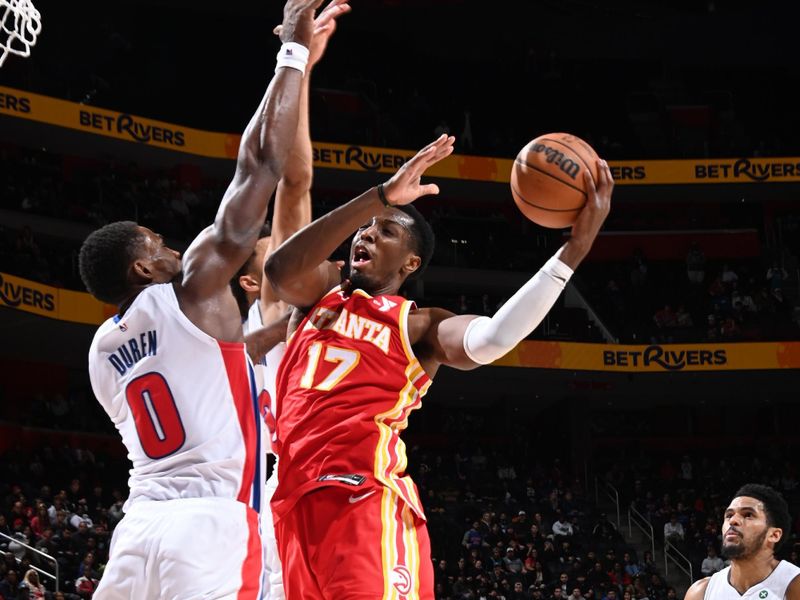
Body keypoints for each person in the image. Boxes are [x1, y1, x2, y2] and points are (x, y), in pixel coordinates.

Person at [264, 134, 613, 597]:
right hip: (290, 505)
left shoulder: (419, 325)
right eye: (365, 228)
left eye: (384, 230)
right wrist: (381, 196)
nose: (366, 233)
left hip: (362, 499)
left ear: (411, 262)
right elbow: (278, 271)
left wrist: (573, 252)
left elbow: (492, 339)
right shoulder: (319, 294)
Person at [76, 0, 331, 597]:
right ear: (143, 266)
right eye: (158, 244)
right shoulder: (190, 291)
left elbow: (223, 359)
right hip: (210, 522)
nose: (171, 250)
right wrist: (290, 55)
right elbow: (262, 167)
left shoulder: (101, 353)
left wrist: (294, 322)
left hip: (138, 529)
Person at [231, 4, 349, 599]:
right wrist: (298, 66)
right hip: (280, 493)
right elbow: (293, 180)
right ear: (254, 284)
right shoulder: (276, 307)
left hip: (317, 487)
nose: (287, 248)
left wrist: (301, 65)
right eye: (271, 250)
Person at [684, 484, 800, 600]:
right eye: (729, 515)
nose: (733, 520)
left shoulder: (794, 584)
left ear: (774, 535)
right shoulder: (700, 593)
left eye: (748, 515)